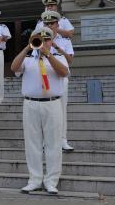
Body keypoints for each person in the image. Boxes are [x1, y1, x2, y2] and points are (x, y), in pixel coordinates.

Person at [10, 26, 69, 195]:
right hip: (31, 104)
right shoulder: (28, 59)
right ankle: (34, 179)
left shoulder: (58, 57)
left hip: (52, 104)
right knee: (32, 144)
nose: (43, 43)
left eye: (47, 39)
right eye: (40, 40)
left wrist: (48, 54)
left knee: (53, 143)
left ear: (52, 41)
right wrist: (28, 47)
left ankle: (51, 181)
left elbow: (64, 72)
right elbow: (14, 67)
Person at [44, 10, 76, 152]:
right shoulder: (40, 41)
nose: (50, 26)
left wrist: (56, 46)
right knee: (46, 110)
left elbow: (69, 60)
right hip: (45, 77)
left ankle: (63, 140)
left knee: (62, 109)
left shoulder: (65, 41)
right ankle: (46, 141)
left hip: (61, 77)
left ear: (58, 24)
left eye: (52, 23)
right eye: (47, 23)